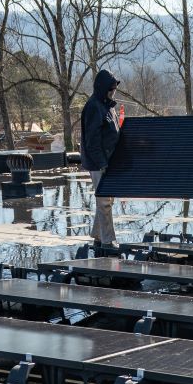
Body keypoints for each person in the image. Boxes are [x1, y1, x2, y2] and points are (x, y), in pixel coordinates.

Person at [80, 68, 122, 251]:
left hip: (108, 160)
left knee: (107, 199)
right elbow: (92, 140)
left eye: (114, 88)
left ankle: (98, 236)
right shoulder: (93, 107)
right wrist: (102, 163)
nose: (113, 92)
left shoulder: (107, 106)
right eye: (110, 88)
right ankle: (107, 241)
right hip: (99, 162)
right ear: (103, 88)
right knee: (104, 201)